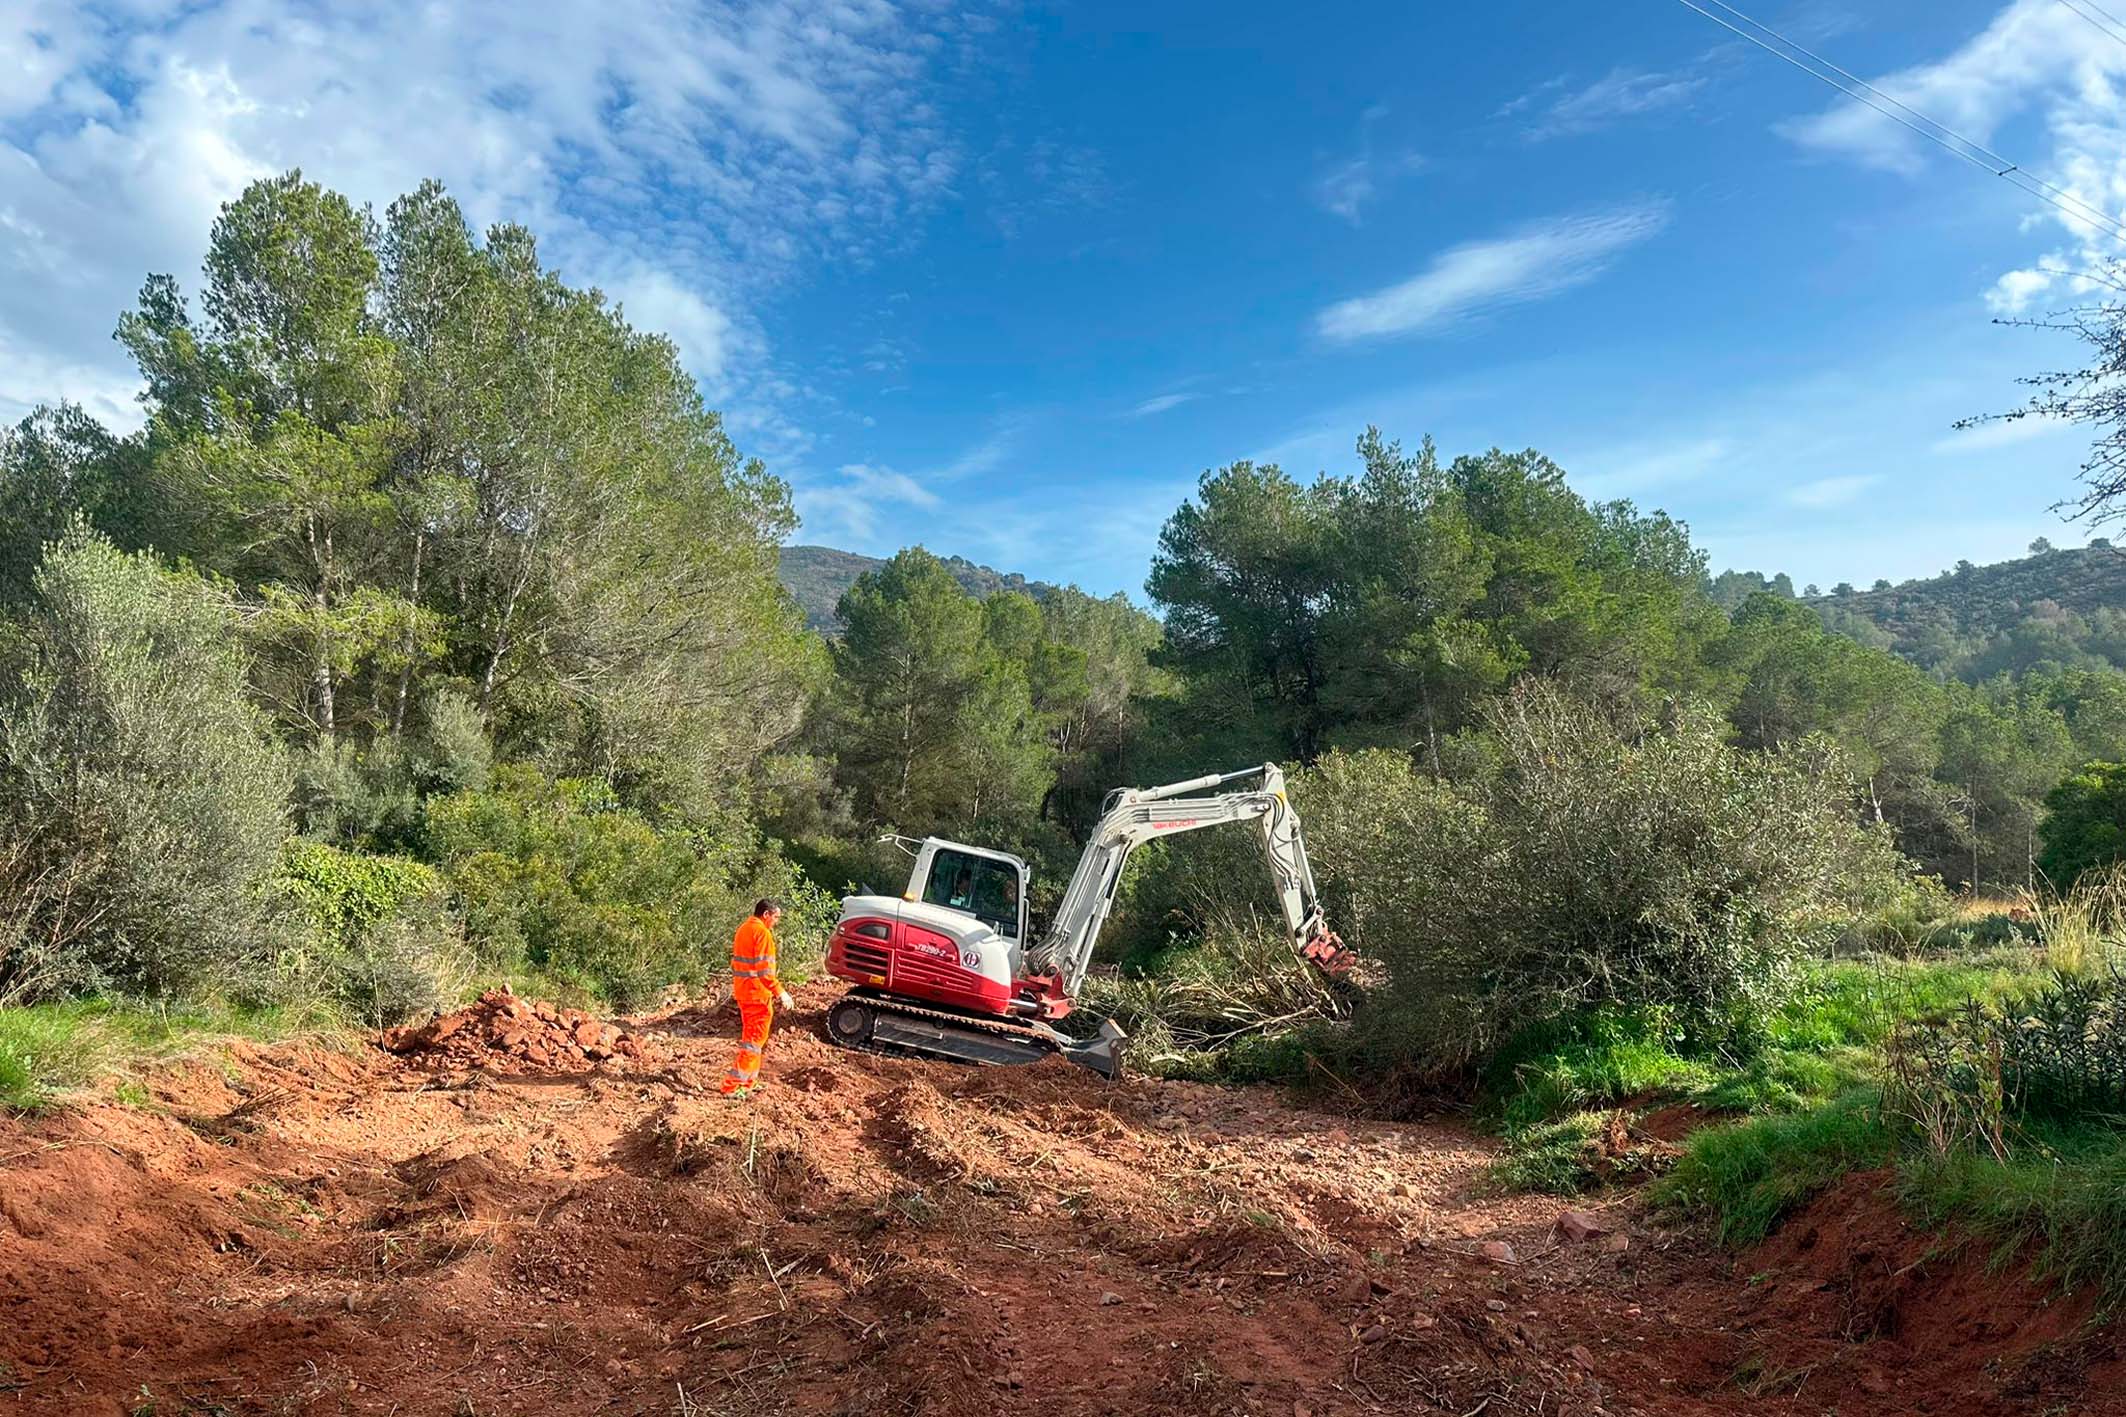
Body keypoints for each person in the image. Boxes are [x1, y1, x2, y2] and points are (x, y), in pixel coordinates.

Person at [719, 898, 794, 1096]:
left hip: (745, 992)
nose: (776, 922)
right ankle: (732, 1086)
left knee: (753, 1040)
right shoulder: (762, 933)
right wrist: (781, 992)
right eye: (776, 917)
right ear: (766, 914)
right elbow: (765, 972)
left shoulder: (744, 928)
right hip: (757, 995)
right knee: (753, 1042)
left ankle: (748, 1082)